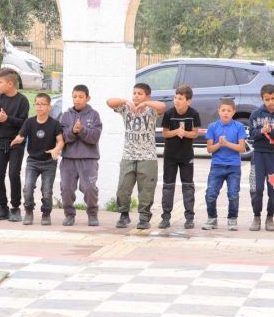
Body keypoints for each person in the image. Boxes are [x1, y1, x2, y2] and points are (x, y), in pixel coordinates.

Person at [107, 83, 166, 230]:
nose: (136, 96)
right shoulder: (126, 108)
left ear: (147, 96)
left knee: (146, 189)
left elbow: (162, 106)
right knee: (123, 187)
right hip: (128, 155)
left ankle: (144, 218)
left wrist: (145, 103)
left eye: (140, 93)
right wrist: (125, 101)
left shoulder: (152, 110)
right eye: (134, 93)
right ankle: (124, 214)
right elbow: (109, 102)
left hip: (148, 157)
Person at [11, 93, 64, 225]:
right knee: (28, 188)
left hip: (49, 162)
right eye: (37, 104)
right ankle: (29, 211)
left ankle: (46, 213)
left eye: (42, 104)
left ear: (49, 107)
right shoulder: (29, 122)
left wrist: (56, 150)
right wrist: (18, 139)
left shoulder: (55, 124)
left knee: (46, 190)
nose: (39, 107)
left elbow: (61, 141)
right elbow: (21, 136)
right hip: (33, 161)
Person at [59, 84, 103, 227]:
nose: (77, 99)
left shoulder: (94, 115)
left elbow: (95, 137)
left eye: (81, 97)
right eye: (74, 96)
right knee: (66, 188)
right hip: (68, 159)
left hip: (89, 159)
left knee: (90, 188)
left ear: (87, 98)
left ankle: (92, 214)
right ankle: (69, 214)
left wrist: (82, 130)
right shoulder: (66, 115)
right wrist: (73, 131)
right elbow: (62, 137)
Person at [0, 69, 30, 222]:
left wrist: (7, 119)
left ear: (10, 83)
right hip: (0, 142)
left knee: (14, 174)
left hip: (16, 143)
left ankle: (15, 208)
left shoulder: (22, 101)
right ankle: (2, 207)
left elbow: (24, 123)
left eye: (0, 82)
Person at [248, 84, 274, 231]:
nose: (270, 102)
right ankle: (256, 217)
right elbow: (252, 135)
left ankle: (270, 217)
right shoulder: (255, 114)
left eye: (273, 98)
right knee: (256, 188)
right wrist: (261, 131)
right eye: (267, 99)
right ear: (262, 99)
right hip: (258, 155)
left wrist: (270, 130)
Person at [159, 85, 200, 229]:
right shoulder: (169, 113)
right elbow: (165, 133)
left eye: (180, 99)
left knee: (188, 186)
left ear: (188, 101)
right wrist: (176, 131)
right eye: (175, 97)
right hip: (170, 155)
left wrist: (185, 133)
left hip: (186, 155)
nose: (176, 101)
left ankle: (189, 217)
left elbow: (195, 133)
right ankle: (165, 217)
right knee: (168, 186)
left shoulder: (193, 114)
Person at [203, 98, 246, 231]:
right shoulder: (213, 126)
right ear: (219, 111)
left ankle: (232, 219)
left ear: (233, 112)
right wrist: (219, 144)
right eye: (223, 110)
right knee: (210, 193)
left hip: (234, 166)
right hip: (217, 165)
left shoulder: (239, 126)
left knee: (233, 194)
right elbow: (209, 149)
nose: (225, 113)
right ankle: (212, 218)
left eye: (228, 110)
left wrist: (226, 143)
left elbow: (242, 148)